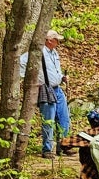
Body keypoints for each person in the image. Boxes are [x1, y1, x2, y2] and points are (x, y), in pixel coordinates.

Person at [19, 30, 71, 158]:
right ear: (49, 40)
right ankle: (47, 149)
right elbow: (21, 61)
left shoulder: (54, 53)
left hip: (57, 89)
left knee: (64, 118)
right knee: (48, 120)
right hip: (46, 89)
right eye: (56, 39)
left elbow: (55, 70)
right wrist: (28, 79)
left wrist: (62, 77)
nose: (58, 42)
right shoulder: (38, 52)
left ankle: (63, 146)